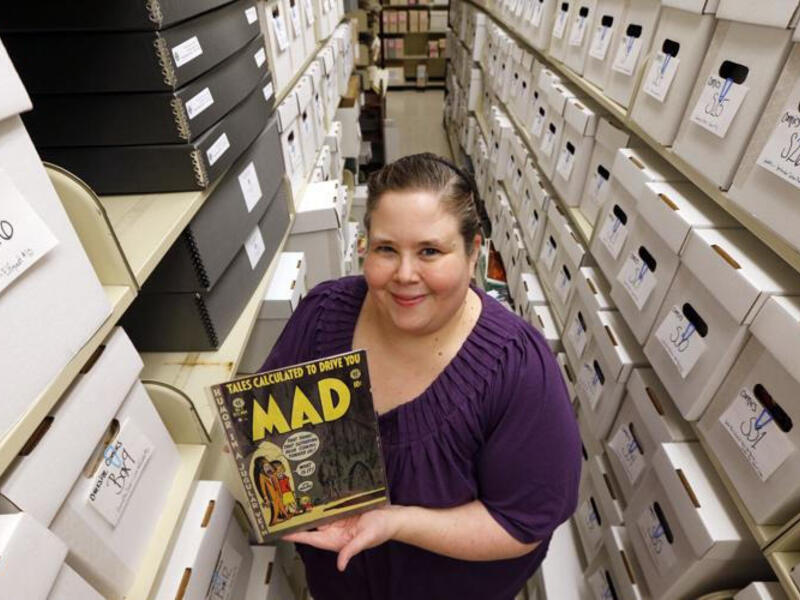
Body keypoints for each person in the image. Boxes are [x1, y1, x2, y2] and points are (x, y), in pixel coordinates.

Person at [261, 153, 581, 599]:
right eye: (386, 249)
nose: (405, 275)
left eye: (430, 251)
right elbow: (274, 434)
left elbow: (521, 523)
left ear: (473, 252)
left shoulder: (517, 369)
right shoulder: (322, 316)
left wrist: (397, 522)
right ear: (365, 247)